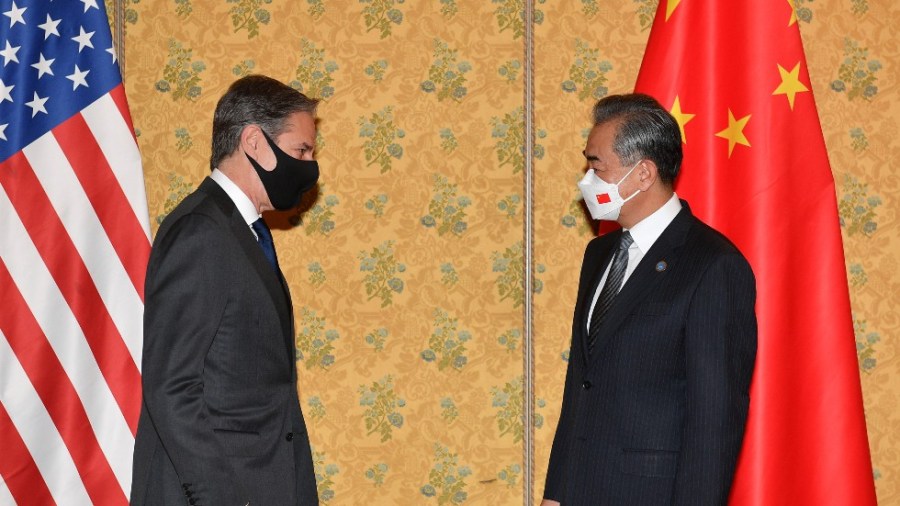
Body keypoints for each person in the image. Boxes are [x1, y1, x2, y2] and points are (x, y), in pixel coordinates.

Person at [542, 94, 757, 505]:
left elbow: (715, 418)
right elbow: (581, 387)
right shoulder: (600, 254)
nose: (586, 179)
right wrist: (556, 494)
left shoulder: (712, 265)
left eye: (596, 165)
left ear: (643, 173)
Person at [131, 75, 321, 505]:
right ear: (254, 141)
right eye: (301, 150)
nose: (309, 166)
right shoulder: (202, 232)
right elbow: (172, 386)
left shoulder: (241, 232)